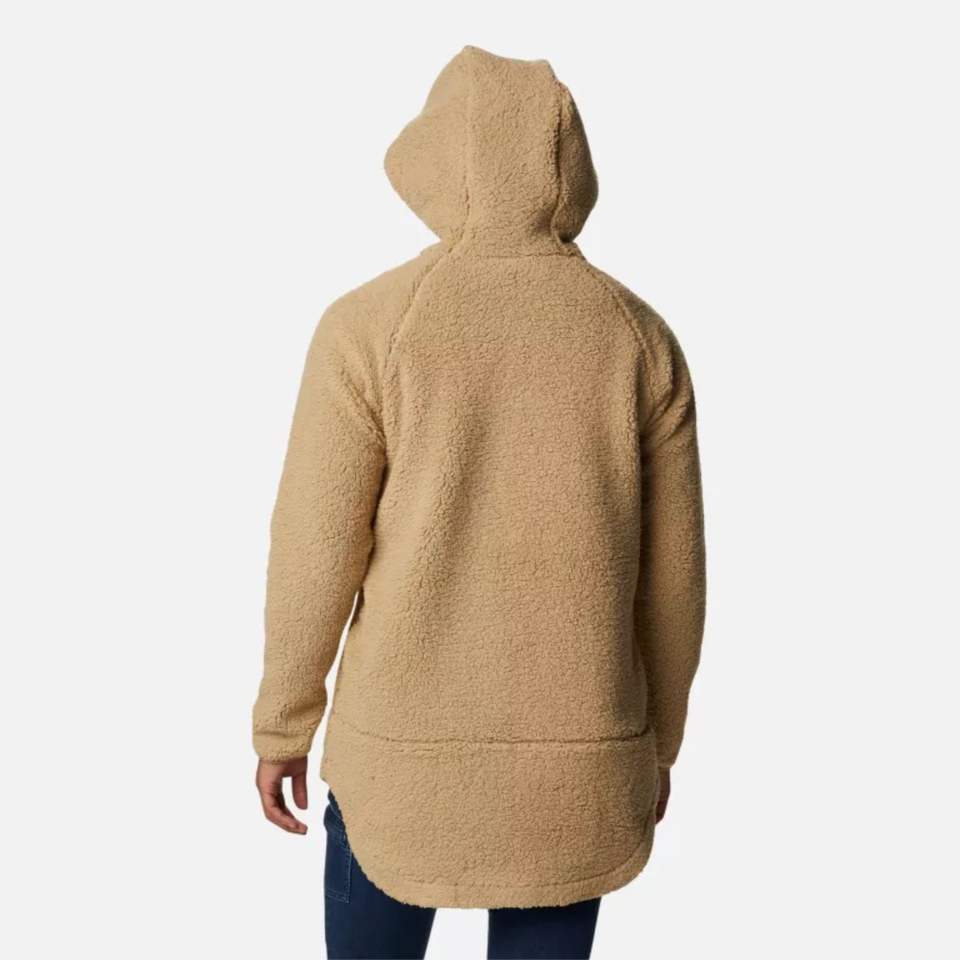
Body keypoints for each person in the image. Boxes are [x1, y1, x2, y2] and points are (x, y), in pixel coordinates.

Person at [253, 44, 706, 960]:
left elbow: (314, 549)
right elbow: (676, 581)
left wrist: (283, 721)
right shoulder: (640, 337)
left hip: (397, 763)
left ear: (434, 160)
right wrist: (656, 742)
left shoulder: (368, 327)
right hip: (580, 768)